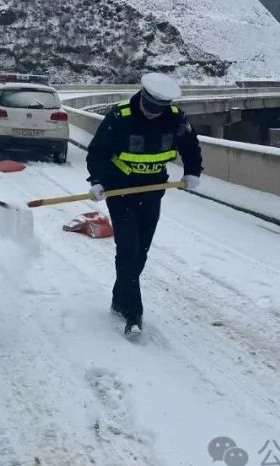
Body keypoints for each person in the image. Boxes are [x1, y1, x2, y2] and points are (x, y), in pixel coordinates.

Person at [85, 72, 203, 334]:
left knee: (141, 252)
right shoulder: (120, 116)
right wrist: (97, 180)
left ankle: (119, 299)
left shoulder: (176, 118)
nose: (152, 113)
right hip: (120, 191)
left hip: (153, 191)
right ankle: (133, 312)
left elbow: (191, 146)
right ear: (142, 97)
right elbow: (98, 151)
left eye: (158, 109)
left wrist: (193, 171)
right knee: (128, 248)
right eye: (149, 107)